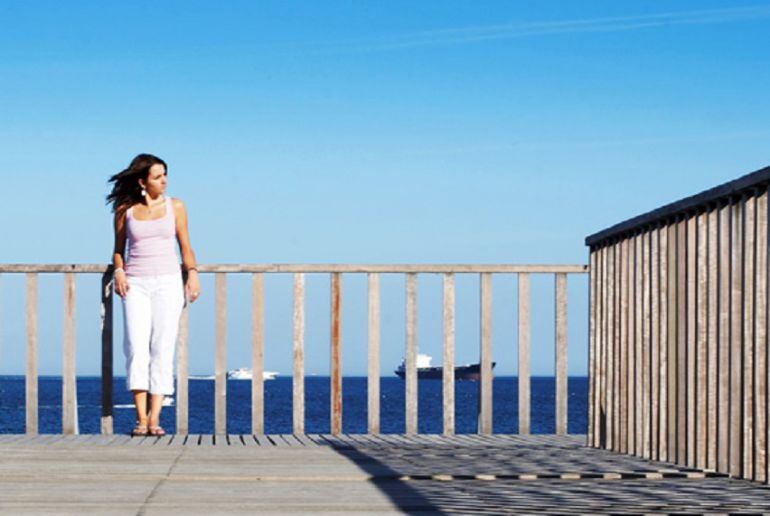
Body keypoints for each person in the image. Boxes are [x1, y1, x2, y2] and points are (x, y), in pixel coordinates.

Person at [106, 153, 201, 436]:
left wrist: (192, 272)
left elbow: (185, 245)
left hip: (168, 282)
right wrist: (119, 271)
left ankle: (155, 417)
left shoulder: (176, 206)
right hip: (136, 283)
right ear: (143, 181)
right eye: (158, 176)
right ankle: (141, 418)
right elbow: (118, 249)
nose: (164, 181)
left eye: (165, 175)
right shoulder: (125, 209)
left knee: (162, 346)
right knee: (136, 347)